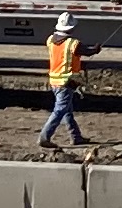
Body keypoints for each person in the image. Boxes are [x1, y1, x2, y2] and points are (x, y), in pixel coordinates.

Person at [37, 12, 87, 150]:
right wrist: (96, 49)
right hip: (66, 82)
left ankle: (76, 137)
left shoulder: (50, 40)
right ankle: (44, 136)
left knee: (67, 110)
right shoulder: (73, 43)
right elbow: (87, 51)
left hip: (54, 80)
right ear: (71, 28)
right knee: (60, 110)